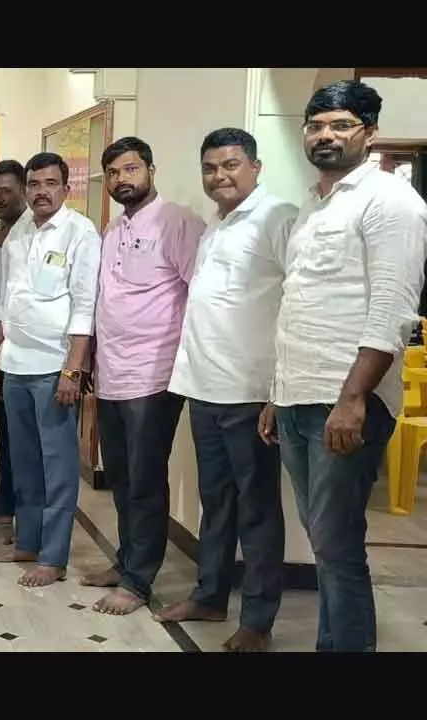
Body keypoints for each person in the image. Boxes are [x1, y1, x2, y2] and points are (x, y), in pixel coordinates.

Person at [262, 79, 427, 652]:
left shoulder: (392, 201)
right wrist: (275, 393)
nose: (325, 135)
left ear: (370, 133)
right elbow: (302, 302)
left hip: (344, 400)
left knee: (336, 544)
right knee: (324, 538)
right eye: (316, 125)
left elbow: (392, 307)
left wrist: (354, 397)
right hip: (298, 396)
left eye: (340, 125)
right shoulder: (313, 205)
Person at [155, 128, 295, 652]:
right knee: (216, 502)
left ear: (255, 167)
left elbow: (295, 305)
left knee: (257, 508)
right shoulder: (217, 224)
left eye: (231, 165)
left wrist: (278, 390)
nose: (220, 176)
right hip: (205, 386)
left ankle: (258, 620)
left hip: (250, 392)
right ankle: (211, 595)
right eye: (211, 168)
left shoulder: (278, 219)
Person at [84, 137, 204, 615]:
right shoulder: (114, 228)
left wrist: (190, 363)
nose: (121, 179)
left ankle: (138, 581)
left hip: (154, 376)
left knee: (146, 480)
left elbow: (201, 293)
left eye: (130, 169)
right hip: (112, 372)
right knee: (121, 477)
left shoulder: (177, 221)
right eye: (113, 172)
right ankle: (127, 560)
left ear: (151, 170)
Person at [0, 152, 101, 587]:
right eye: (34, 184)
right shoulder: (18, 234)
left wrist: (73, 370)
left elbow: (84, 304)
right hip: (15, 364)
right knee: (24, 461)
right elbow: (5, 301)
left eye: (50, 183)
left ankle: (53, 557)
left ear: (65, 188)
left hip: (55, 368)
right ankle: (28, 541)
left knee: (57, 466)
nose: (40, 191)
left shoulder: (79, 232)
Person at [0, 159, 31, 542]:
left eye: (6, 191)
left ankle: (26, 523)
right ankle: (6, 503)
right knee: (8, 434)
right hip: (2, 352)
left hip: (38, 360)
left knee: (26, 441)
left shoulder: (33, 234)